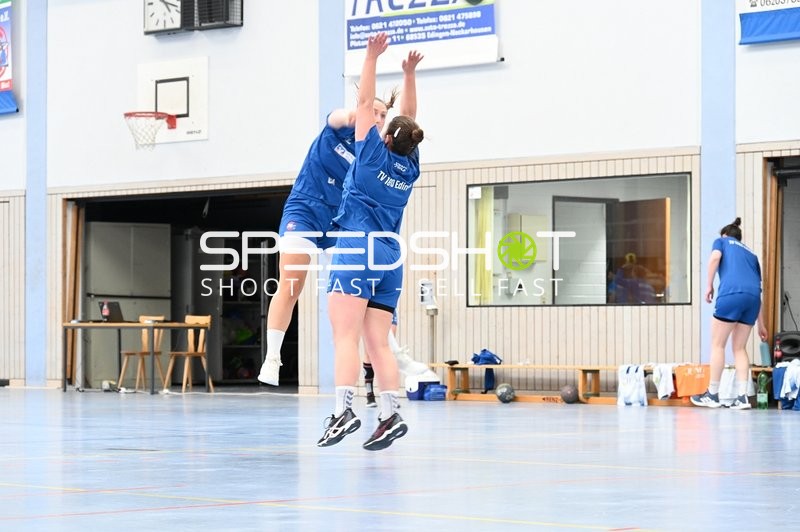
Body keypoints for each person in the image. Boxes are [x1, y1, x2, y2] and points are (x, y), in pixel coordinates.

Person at [317, 33, 424, 450]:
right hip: (390, 255)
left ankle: (343, 412)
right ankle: (390, 414)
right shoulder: (408, 164)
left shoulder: (371, 155)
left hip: (358, 246)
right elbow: (409, 118)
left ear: (385, 137)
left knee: (345, 336)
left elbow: (363, 104)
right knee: (378, 342)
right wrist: (408, 76)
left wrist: (370, 57)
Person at [256, 76, 398, 387]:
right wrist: (359, 112)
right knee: (292, 281)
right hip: (305, 209)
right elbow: (341, 116)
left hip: (339, 219)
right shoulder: (339, 124)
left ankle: (389, 353)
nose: (378, 118)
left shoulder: (372, 153)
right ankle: (273, 356)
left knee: (357, 287)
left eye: (383, 115)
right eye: (373, 112)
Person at [691, 217, 768, 410]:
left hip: (731, 294)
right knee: (739, 348)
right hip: (752, 301)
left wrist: (709, 285)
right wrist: (762, 324)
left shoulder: (721, 241)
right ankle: (742, 397)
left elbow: (714, 258)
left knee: (718, 345)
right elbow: (758, 290)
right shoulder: (752, 255)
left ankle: (712, 394)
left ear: (725, 235)